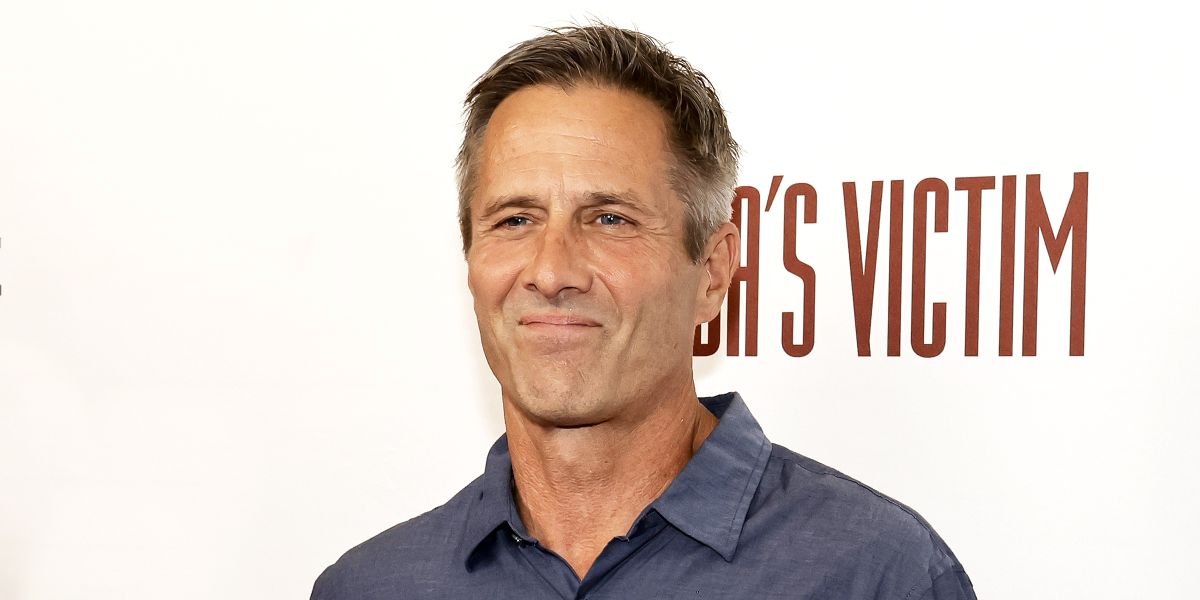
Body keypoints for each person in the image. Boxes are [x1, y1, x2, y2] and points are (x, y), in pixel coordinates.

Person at [311, 24, 976, 599]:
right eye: (515, 219)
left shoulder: (876, 576)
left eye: (609, 218)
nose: (551, 272)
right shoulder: (372, 587)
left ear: (712, 272)